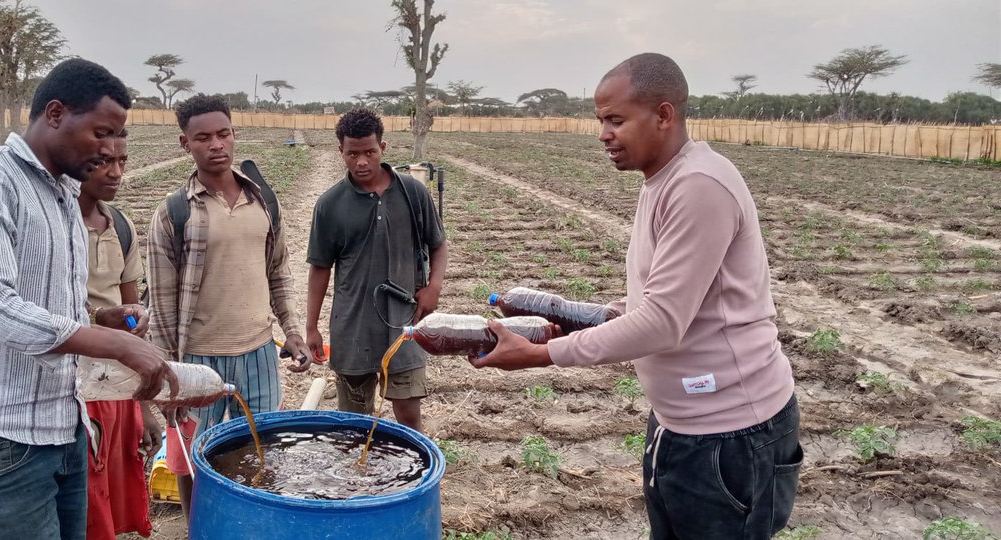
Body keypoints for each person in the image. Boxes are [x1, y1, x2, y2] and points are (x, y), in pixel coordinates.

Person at [473, 53, 802, 540]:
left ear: (663, 115)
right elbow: (666, 300)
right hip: (683, 425)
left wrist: (543, 354)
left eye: (616, 120)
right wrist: (590, 317)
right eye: (600, 121)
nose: (603, 134)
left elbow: (663, 322)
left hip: (730, 434)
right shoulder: (663, 180)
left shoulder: (698, 186)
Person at [0, 58, 178, 540]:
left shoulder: (63, 193)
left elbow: (49, 306)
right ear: (57, 113)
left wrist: (99, 319)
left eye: (117, 136)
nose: (109, 149)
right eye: (102, 133)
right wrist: (115, 344)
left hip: (64, 422)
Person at [146, 94, 309, 518]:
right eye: (203, 138)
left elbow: (278, 273)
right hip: (198, 358)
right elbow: (161, 305)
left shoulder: (263, 201)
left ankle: (255, 523)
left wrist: (292, 331)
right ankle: (197, 525)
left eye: (223, 134)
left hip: (258, 351)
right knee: (190, 454)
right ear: (185, 143)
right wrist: (168, 376)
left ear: (235, 134)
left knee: (262, 448)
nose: (216, 144)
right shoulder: (174, 212)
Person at [306, 107, 448, 432]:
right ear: (340, 151)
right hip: (352, 327)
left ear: (382, 148)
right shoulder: (330, 205)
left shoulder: (413, 193)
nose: (361, 162)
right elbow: (320, 268)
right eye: (352, 154)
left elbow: (438, 245)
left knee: (409, 416)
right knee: (355, 424)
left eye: (369, 152)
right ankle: (362, 467)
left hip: (405, 323)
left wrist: (434, 287)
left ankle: (413, 466)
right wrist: (311, 327)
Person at [77, 132, 161, 540]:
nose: (116, 172)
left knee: (111, 488)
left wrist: (143, 407)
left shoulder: (121, 226)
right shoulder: (54, 228)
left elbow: (133, 323)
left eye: (122, 162)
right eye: (103, 161)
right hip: (75, 387)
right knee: (83, 495)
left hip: (116, 386)